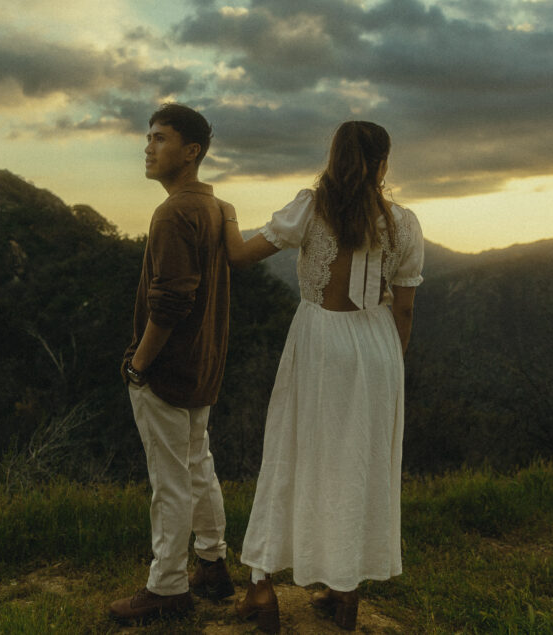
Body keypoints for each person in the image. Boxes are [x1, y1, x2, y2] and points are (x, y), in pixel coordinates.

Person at [220, 121, 424, 632]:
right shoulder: (404, 223)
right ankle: (344, 591)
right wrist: (390, 367)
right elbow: (404, 309)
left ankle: (261, 587)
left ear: (336, 159)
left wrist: (225, 213)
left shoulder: (310, 209)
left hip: (321, 342)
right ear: (382, 164)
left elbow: (239, 256)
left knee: (291, 450)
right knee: (358, 463)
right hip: (378, 348)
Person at [109, 103, 235, 624]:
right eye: (148, 137)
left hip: (167, 369)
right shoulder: (212, 207)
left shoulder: (174, 212)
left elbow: (170, 301)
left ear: (191, 152)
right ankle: (213, 563)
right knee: (198, 466)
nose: (148, 147)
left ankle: (167, 588)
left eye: (160, 138)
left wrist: (139, 364)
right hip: (202, 365)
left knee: (170, 481)